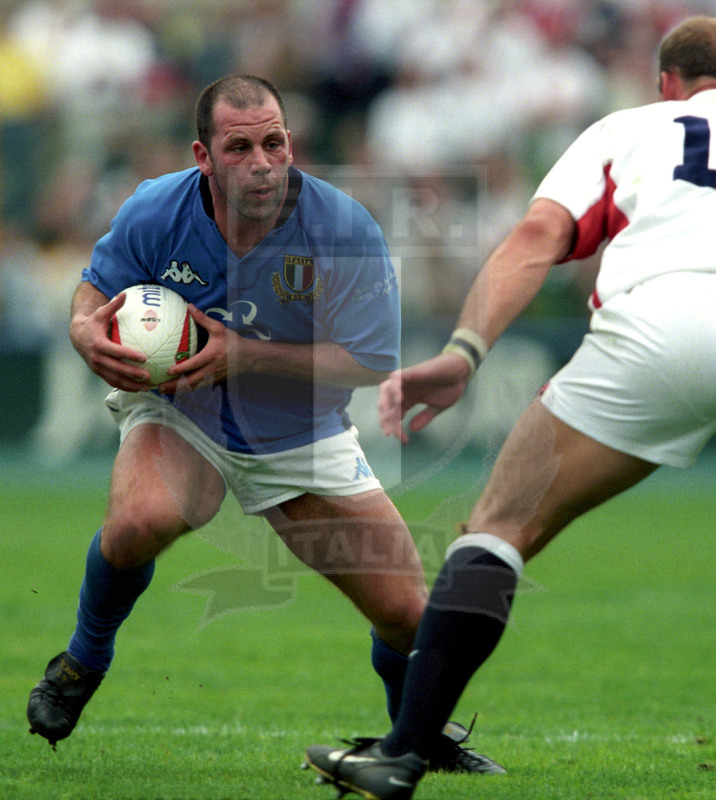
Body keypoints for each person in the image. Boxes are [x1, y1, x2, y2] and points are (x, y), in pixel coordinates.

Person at [26, 74, 499, 775]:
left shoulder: (343, 228)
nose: (262, 163)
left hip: (296, 428)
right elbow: (97, 285)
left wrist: (241, 354)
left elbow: (371, 360)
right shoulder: (156, 209)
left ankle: (415, 735)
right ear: (203, 157)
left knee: (407, 617)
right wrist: (81, 327)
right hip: (181, 410)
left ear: (291, 144)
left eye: (274, 143)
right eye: (240, 148)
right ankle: (82, 662)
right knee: (139, 521)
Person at [302, 16, 716, 800]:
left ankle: (402, 753)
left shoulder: (630, 128)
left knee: (500, 526)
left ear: (666, 84)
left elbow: (536, 237)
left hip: (663, 323)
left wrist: (463, 352)